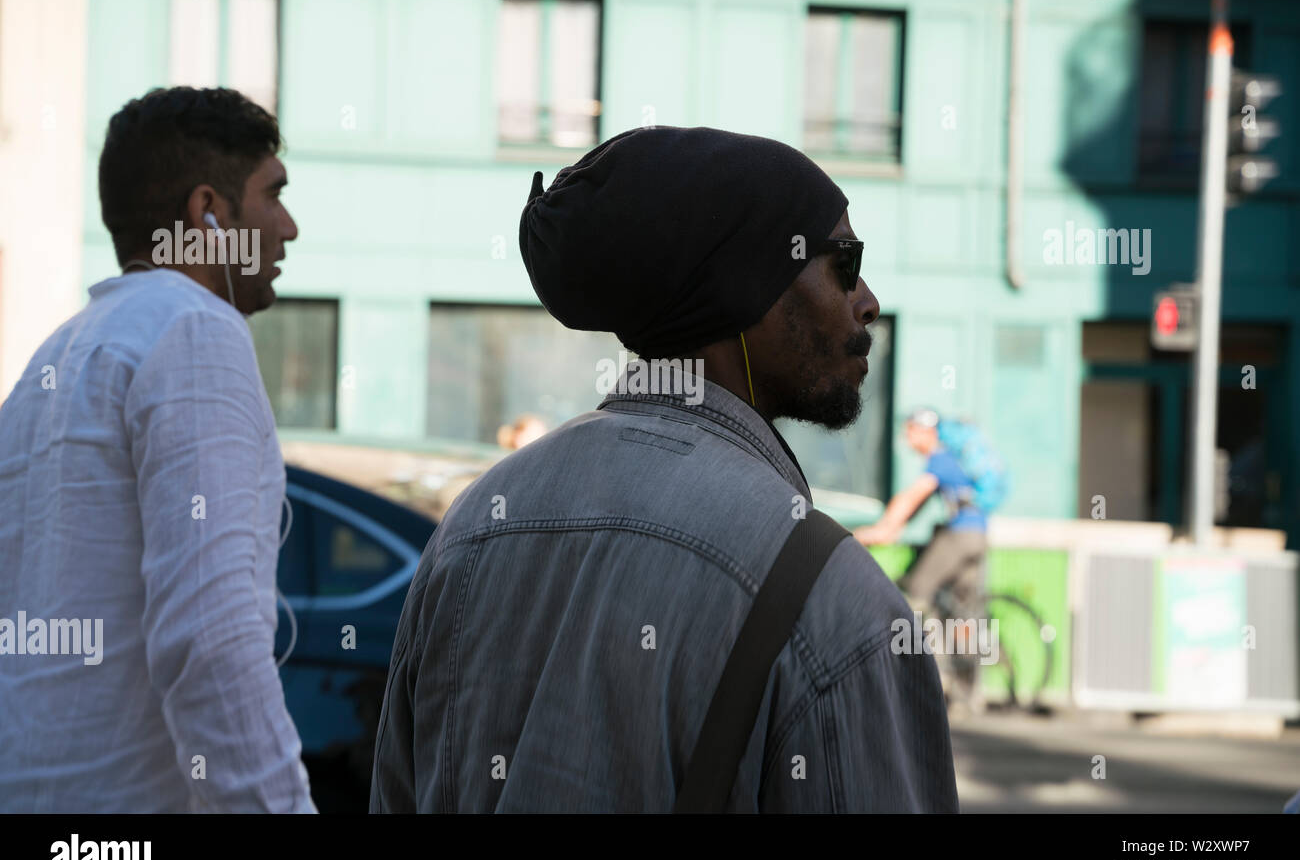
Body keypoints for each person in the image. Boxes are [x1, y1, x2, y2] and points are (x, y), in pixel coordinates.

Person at [371, 126, 958, 812]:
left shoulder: (473, 527)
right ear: (744, 284)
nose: (867, 299)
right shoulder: (828, 596)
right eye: (844, 262)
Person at [0, 87, 315, 812]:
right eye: (274, 194)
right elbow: (212, 641)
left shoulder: (51, 360)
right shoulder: (195, 332)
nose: (290, 226)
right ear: (210, 213)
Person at [853, 408, 991, 709]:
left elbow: (912, 497)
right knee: (961, 612)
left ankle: (931, 676)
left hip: (959, 536)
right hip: (978, 537)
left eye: (910, 431)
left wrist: (882, 529)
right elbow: (918, 505)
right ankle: (968, 694)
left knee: (915, 592)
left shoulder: (939, 459)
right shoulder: (952, 460)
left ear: (924, 431)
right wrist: (894, 527)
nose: (906, 438)